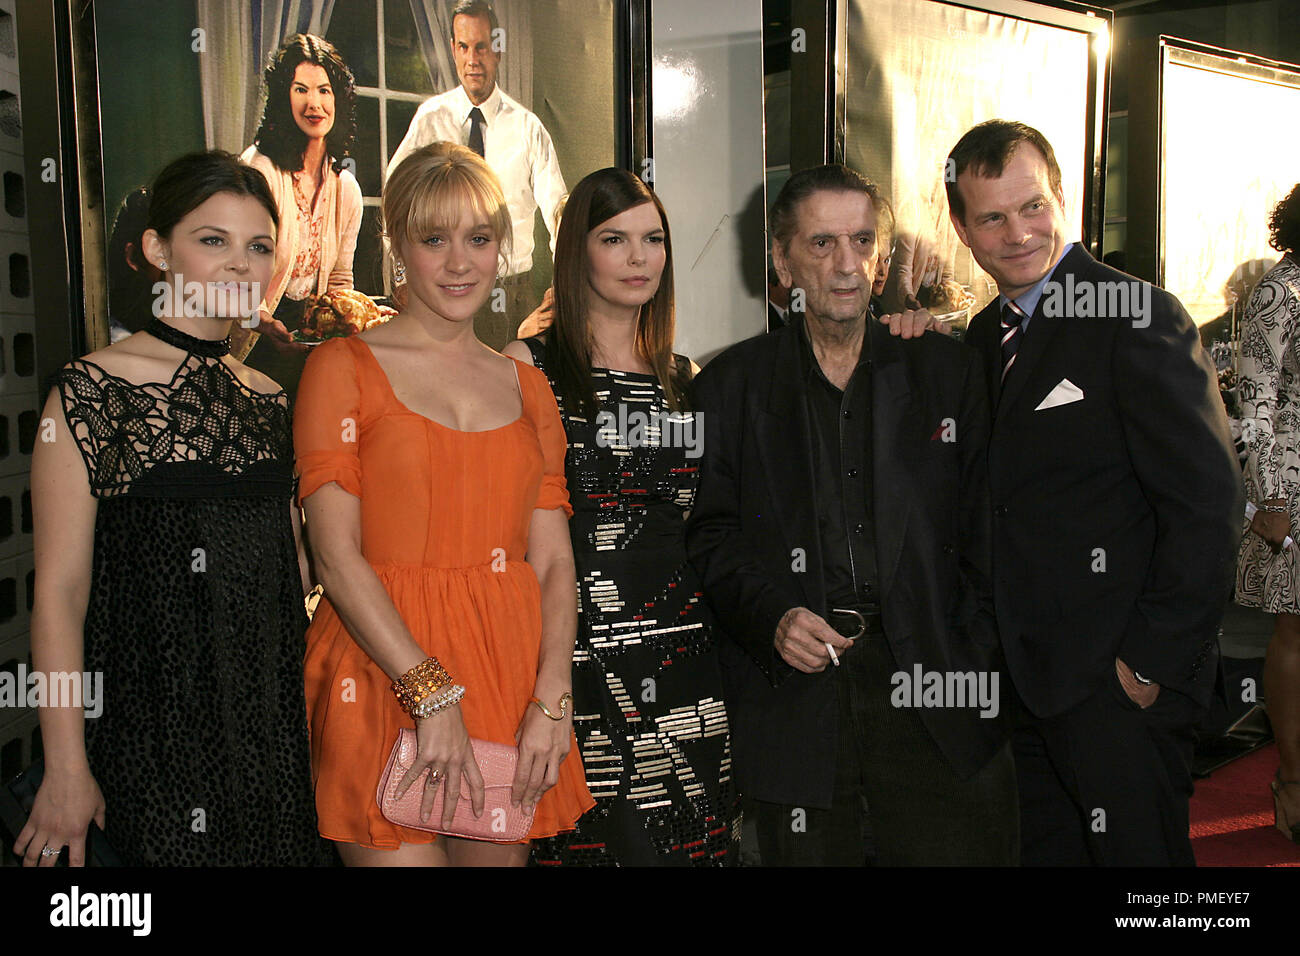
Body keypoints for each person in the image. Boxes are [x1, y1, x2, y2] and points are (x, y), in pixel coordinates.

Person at [882, 119, 1244, 865]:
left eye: (1034, 206)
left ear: (1062, 198)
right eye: (993, 217)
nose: (1019, 233)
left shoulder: (1136, 316)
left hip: (1119, 687)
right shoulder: (981, 339)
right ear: (962, 228)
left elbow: (1207, 507)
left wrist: (1145, 665)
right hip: (1021, 688)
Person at [685, 163, 1018, 866]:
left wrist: (976, 657)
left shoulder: (945, 374)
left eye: (863, 242)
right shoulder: (729, 388)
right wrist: (770, 615)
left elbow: (993, 533)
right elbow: (708, 535)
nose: (846, 266)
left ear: (884, 257)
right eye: (822, 244)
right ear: (782, 260)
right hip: (796, 703)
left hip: (938, 695)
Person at [17, 151, 326, 866]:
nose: (240, 264)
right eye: (212, 240)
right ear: (158, 249)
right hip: (144, 734)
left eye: (259, 247)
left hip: (271, 739)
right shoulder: (89, 392)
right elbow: (59, 597)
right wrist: (66, 767)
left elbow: (296, 581)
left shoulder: (272, 402)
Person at [294, 142, 592, 867]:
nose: (460, 263)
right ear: (396, 245)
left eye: (478, 238)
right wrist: (430, 693)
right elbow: (335, 555)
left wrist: (553, 700)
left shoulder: (528, 387)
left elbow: (554, 561)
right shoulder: (341, 368)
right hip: (381, 665)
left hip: (506, 670)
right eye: (434, 239)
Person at [504, 168, 740, 866]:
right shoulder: (528, 366)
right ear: (579, 251)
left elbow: (710, 524)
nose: (640, 258)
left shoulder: (686, 380)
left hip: (685, 656)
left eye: (654, 239)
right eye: (615, 239)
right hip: (574, 655)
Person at [387, 0, 566, 351]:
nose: (473, 60)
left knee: (511, 394)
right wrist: (401, 279)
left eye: (482, 47)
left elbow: (560, 210)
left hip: (512, 296)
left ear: (497, 50)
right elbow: (396, 200)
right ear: (453, 50)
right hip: (443, 288)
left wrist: (563, 287)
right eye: (464, 47)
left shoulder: (528, 128)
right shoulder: (429, 119)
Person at [236, 33, 363, 400]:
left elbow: (340, 280)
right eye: (300, 89)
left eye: (324, 90)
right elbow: (233, 270)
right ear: (282, 98)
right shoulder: (259, 171)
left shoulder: (346, 189)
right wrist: (263, 323)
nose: (314, 103)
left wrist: (342, 328)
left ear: (338, 99)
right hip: (253, 338)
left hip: (310, 343)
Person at [1234, 182, 1300, 843]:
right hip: (1295, 485)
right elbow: (1253, 404)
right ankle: (1293, 783)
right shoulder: (1282, 291)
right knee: (1297, 636)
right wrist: (1269, 498)